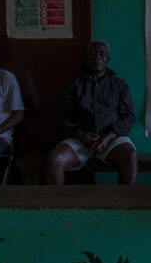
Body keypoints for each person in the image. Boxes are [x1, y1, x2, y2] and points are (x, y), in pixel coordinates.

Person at [45, 40, 138, 185]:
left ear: (108, 59)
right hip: (80, 140)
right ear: (87, 58)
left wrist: (107, 137)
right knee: (55, 159)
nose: (97, 57)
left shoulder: (119, 85)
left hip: (112, 140)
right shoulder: (74, 84)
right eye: (93, 53)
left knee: (130, 157)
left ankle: (124, 205)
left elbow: (129, 117)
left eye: (102, 53)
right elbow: (64, 119)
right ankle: (56, 206)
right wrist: (81, 135)